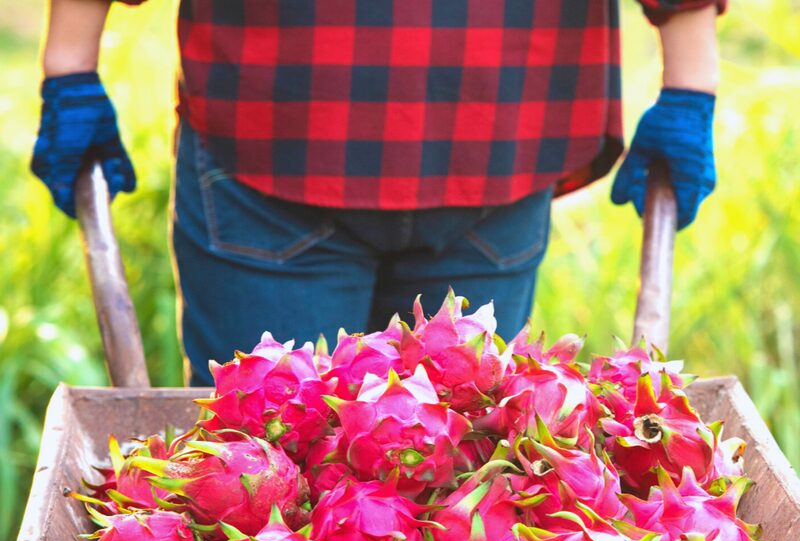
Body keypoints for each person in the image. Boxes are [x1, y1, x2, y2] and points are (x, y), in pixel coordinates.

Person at [32, 1, 723, 386]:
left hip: (281, 115)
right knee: (456, 499)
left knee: (265, 490)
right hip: (491, 126)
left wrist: (71, 61)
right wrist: (691, 78)